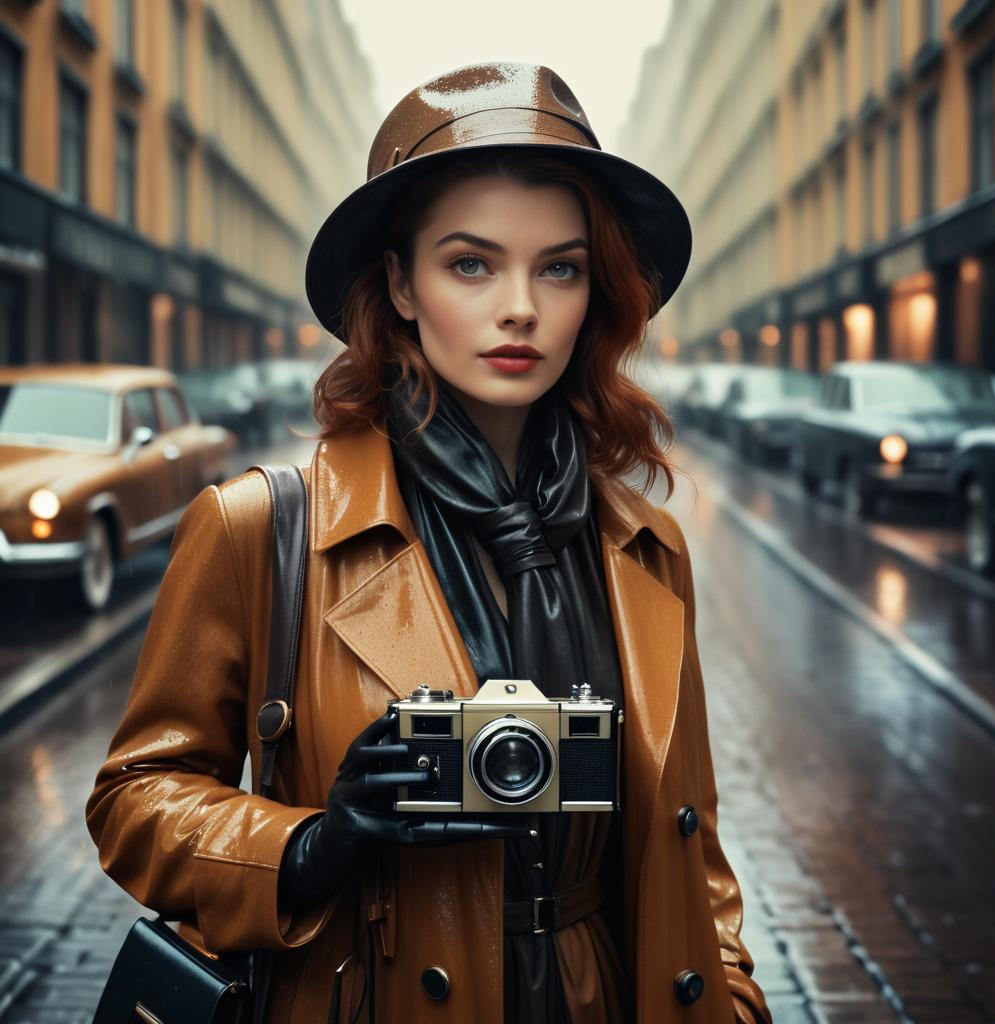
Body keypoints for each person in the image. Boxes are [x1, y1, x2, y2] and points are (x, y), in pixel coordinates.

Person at [86, 63, 772, 1024]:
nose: (522, 306)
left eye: (561, 267)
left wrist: (732, 1000)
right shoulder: (263, 527)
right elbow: (134, 799)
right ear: (402, 283)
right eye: (472, 264)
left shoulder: (643, 544)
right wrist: (311, 845)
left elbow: (689, 843)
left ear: (596, 292)